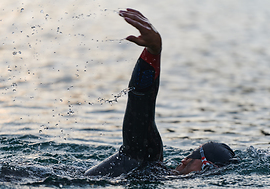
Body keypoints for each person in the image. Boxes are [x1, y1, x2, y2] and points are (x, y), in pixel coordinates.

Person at [85, 9, 237, 177]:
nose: (204, 176)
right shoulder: (147, 158)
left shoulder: (154, 174)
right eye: (205, 169)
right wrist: (153, 51)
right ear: (185, 160)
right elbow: (140, 103)